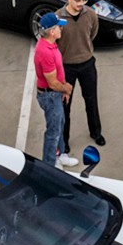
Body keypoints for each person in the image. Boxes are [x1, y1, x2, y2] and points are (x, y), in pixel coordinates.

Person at [54, 0, 105, 150]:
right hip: (66, 67)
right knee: (65, 105)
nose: (80, 4)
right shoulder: (58, 17)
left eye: (83, 0)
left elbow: (93, 34)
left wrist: (84, 50)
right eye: (77, 0)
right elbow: (53, 42)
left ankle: (96, 132)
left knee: (91, 100)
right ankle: (64, 140)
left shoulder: (90, 14)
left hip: (87, 64)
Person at [33, 13, 80, 169]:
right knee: (53, 132)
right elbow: (52, 83)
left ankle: (60, 156)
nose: (61, 28)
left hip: (54, 94)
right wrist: (67, 88)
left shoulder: (50, 44)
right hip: (50, 95)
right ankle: (49, 165)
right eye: (59, 26)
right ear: (52, 31)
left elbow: (58, 73)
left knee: (60, 123)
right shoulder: (45, 52)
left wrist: (64, 87)